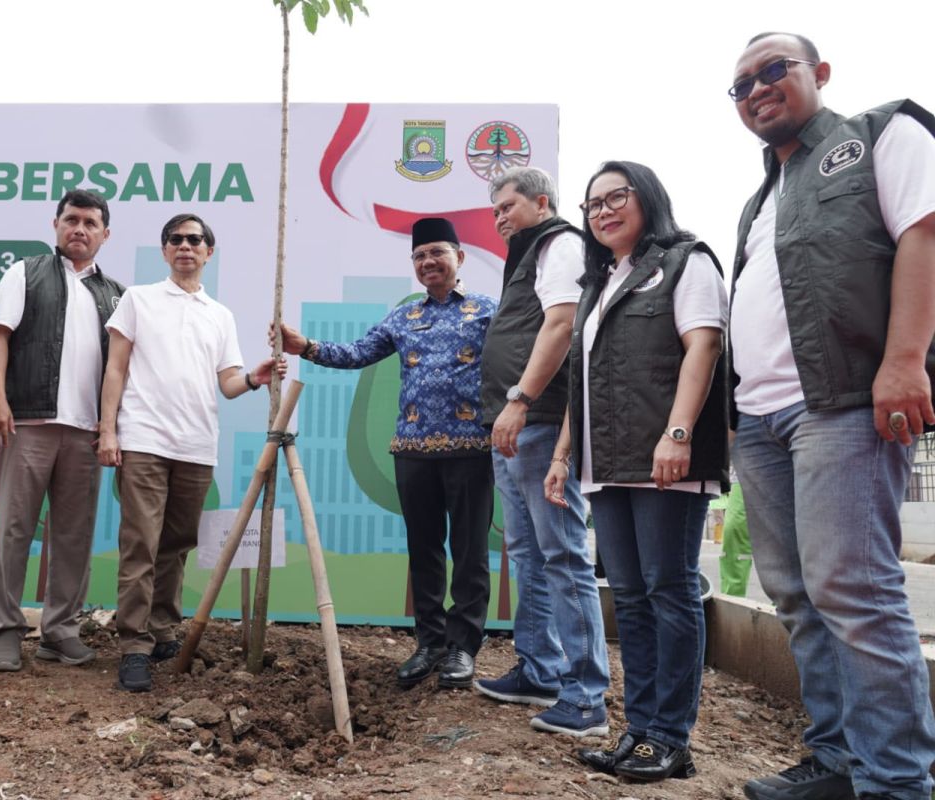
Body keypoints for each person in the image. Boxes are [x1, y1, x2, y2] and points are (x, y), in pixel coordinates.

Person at [727, 32, 935, 800]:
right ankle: (838, 763)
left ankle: (897, 782)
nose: (756, 89)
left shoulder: (882, 133)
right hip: (759, 418)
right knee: (796, 594)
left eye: (772, 70)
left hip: (842, 402)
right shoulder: (759, 200)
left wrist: (905, 359)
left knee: (855, 590)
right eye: (741, 84)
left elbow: (924, 233)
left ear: (820, 72)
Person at [545, 161, 728, 781]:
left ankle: (670, 737)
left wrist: (677, 434)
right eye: (592, 205)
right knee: (630, 597)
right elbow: (583, 385)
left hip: (664, 462)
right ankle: (642, 730)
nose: (602, 212)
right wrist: (564, 455)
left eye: (615, 198)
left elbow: (703, 346)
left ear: (647, 198)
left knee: (668, 591)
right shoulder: (599, 283)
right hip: (607, 465)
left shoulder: (686, 261)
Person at [275, 218, 495, 689]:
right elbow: (356, 353)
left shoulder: (487, 311)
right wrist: (305, 346)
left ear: (460, 257)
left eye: (437, 252)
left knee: (471, 552)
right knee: (424, 551)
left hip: (473, 449)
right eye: (419, 256)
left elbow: (517, 361)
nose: (428, 262)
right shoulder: (403, 318)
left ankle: (463, 647)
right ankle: (430, 643)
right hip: (411, 451)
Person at [97, 213, 282, 693]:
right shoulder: (137, 299)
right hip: (142, 439)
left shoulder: (219, 315)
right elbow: (114, 369)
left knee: (176, 543)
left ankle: (161, 629)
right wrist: (108, 431)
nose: (185, 246)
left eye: (195, 240)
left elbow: (228, 382)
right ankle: (134, 645)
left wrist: (256, 378)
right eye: (176, 239)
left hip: (197, 445)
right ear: (164, 251)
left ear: (208, 252)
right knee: (141, 541)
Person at [472, 166, 610, 739]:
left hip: (539, 421)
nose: (501, 217)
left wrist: (521, 399)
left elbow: (562, 323)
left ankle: (585, 698)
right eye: (496, 210)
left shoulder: (560, 244)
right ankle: (541, 670)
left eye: (508, 206)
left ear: (542, 202)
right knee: (529, 555)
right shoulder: (528, 254)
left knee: (563, 556)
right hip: (515, 430)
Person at [0, 190, 124, 672]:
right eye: (71, 219)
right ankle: (3, 631)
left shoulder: (116, 295)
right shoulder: (25, 272)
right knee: (13, 530)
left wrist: (111, 428)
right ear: (56, 224)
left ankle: (60, 632)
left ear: (106, 234)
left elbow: (121, 368)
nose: (79, 229)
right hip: (28, 423)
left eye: (90, 222)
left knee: (74, 537)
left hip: (87, 432)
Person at [717, 466, 752, 597]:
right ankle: (732, 599)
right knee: (733, 528)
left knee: (780, 536)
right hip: (743, 466)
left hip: (785, 464)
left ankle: (786, 610)